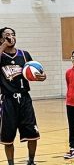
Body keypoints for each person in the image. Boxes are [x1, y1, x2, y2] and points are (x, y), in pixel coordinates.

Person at [0, 27, 47, 165]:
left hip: (25, 98)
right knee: (8, 138)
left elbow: (36, 72)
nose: (11, 37)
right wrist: (3, 46)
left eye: (13, 34)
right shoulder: (2, 55)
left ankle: (31, 161)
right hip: (8, 100)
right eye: (7, 35)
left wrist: (42, 76)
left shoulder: (24, 54)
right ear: (1, 38)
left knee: (32, 134)